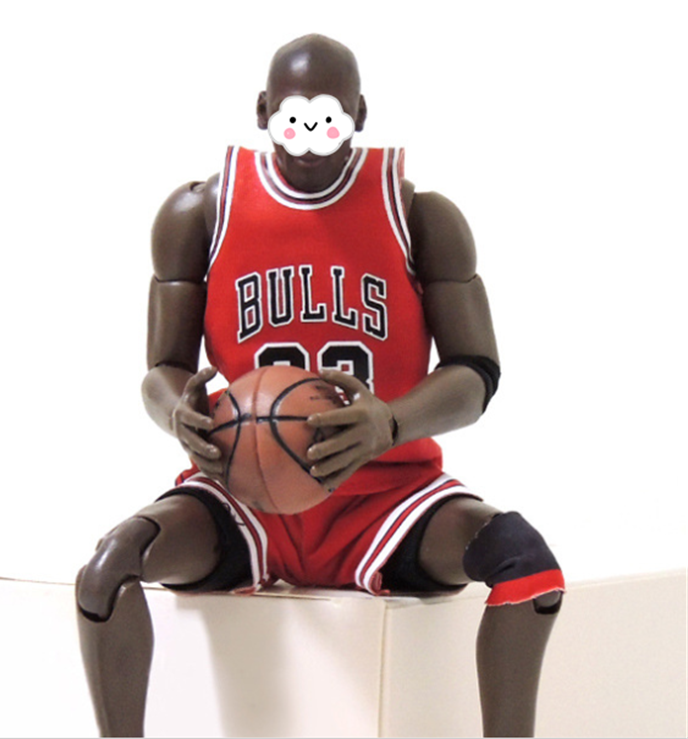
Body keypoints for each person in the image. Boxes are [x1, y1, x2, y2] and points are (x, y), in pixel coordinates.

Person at [76, 33, 565, 738]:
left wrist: (388, 423)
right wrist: (176, 412)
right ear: (262, 110)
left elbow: (476, 372)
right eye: (293, 112)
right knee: (107, 567)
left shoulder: (419, 215)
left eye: (330, 113)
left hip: (385, 496)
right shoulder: (199, 212)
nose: (310, 131)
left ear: (360, 113)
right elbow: (161, 370)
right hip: (244, 493)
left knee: (526, 565)